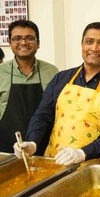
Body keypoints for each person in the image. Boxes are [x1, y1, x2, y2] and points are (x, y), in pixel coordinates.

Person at [13, 22, 100, 166]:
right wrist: (33, 142)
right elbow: (43, 115)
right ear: (82, 45)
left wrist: (82, 153)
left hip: (90, 166)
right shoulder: (61, 78)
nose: (94, 48)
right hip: (53, 161)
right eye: (89, 42)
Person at [0, 20, 58, 153]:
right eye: (17, 38)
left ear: (38, 43)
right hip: (6, 149)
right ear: (10, 42)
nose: (23, 43)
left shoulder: (52, 72)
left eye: (29, 38)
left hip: (43, 149)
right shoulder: (1, 72)